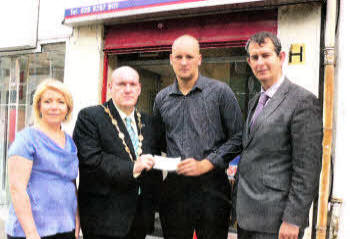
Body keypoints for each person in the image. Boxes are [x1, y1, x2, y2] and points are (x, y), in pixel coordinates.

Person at [152, 34, 243, 239]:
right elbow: (158, 141)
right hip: (175, 186)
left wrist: (208, 163)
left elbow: (238, 138)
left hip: (212, 186)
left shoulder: (220, 92)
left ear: (199, 59)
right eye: (179, 57)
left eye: (189, 57)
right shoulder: (162, 98)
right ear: (171, 59)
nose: (184, 62)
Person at [235, 31, 322, 239]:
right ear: (249, 62)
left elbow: (307, 168)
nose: (260, 62)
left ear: (281, 58)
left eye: (266, 55)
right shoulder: (255, 101)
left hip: (277, 223)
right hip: (247, 217)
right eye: (255, 57)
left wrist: (293, 219)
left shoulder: (302, 101)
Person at [73, 66, 161, 239]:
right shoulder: (90, 117)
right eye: (121, 84)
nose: (128, 89)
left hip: (140, 217)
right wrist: (133, 167)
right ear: (110, 87)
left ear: (139, 88)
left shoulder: (149, 122)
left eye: (132, 84)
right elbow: (91, 160)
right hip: (104, 218)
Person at [6, 79, 79, 239]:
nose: (54, 106)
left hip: (64, 228)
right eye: (47, 101)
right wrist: (31, 233)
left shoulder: (70, 142)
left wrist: (76, 220)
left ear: (68, 108)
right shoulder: (26, 139)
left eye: (61, 102)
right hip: (32, 232)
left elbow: (71, 184)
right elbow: (17, 189)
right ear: (39, 106)